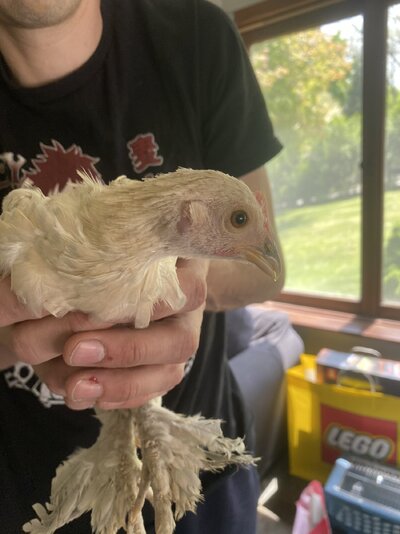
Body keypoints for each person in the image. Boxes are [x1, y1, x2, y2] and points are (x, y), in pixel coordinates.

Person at [0, 1, 286, 532]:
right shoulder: (32, 223)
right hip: (29, 493)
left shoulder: (196, 37)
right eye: (237, 219)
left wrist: (176, 283)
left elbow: (265, 270)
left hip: (198, 475)